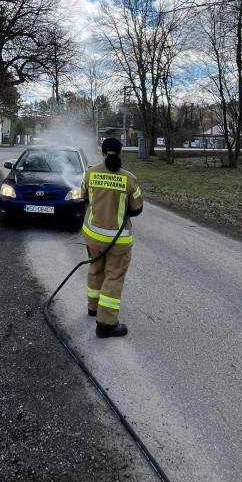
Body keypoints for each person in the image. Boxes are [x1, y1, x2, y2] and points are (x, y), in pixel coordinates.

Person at [80, 137, 143, 338]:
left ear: (103, 153)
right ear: (121, 152)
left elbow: (84, 197)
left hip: (93, 237)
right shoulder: (129, 179)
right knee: (113, 277)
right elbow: (137, 208)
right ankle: (106, 324)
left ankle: (93, 307)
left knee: (95, 269)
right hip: (118, 241)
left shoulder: (90, 173)